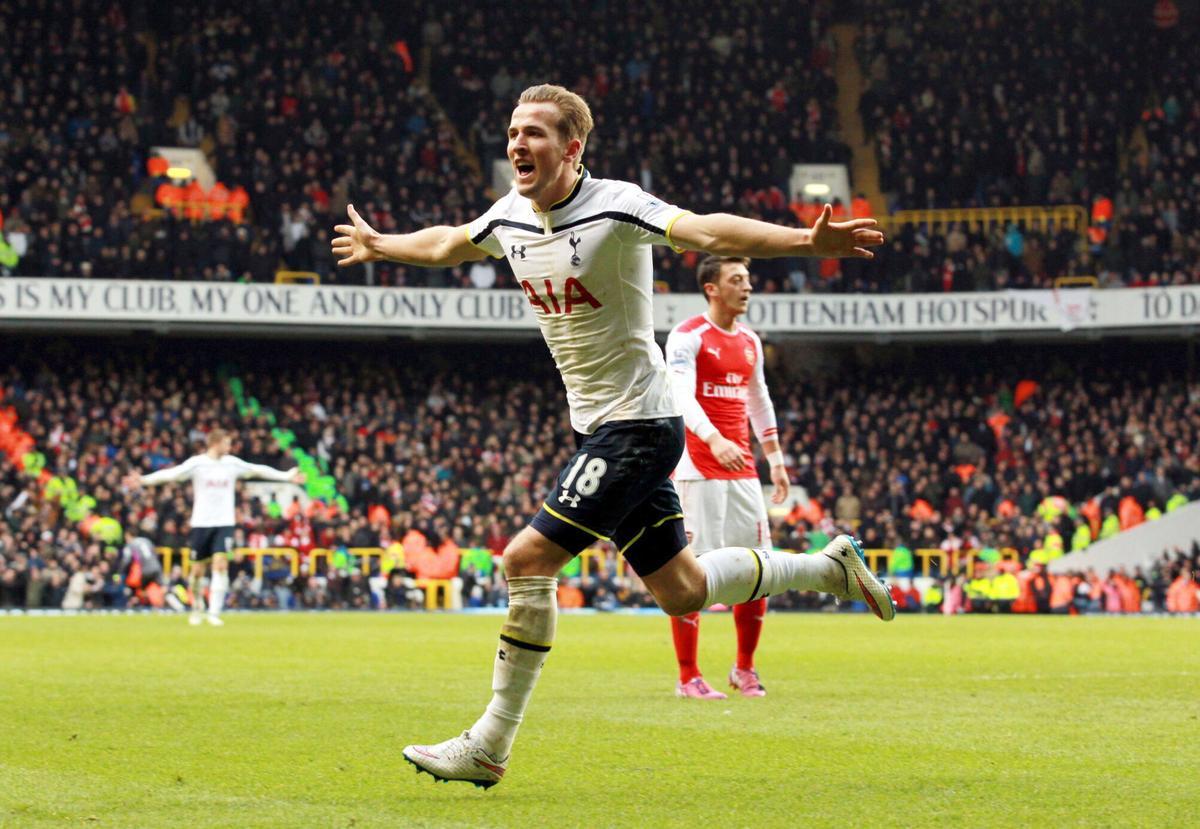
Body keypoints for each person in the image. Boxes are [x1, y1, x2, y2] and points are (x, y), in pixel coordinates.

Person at [331, 84, 892, 789]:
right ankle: (827, 568)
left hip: (639, 425)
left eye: (534, 132)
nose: (517, 144)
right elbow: (448, 243)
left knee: (526, 557)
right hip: (603, 427)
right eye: (511, 131)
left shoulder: (617, 205)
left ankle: (491, 742)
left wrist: (805, 240)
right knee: (683, 590)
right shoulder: (510, 214)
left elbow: (708, 231)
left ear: (572, 147)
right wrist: (383, 245)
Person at [662, 255, 791, 700]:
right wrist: (713, 438)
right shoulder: (687, 336)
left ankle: (745, 669)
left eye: (748, 279)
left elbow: (759, 400)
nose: (747, 287)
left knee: (760, 570)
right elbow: (679, 393)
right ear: (711, 288)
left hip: (743, 472)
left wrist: (774, 457)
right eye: (737, 279)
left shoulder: (751, 341)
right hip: (698, 469)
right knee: (691, 575)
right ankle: (687, 676)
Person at [124, 428, 304, 626]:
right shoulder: (197, 464)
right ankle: (197, 607)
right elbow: (172, 474)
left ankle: (214, 613)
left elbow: (257, 469)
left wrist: (286, 476)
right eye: (226, 443)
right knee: (197, 571)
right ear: (215, 443)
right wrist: (143, 480)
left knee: (220, 564)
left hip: (224, 523)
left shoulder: (231, 463)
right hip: (201, 523)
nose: (229, 447)